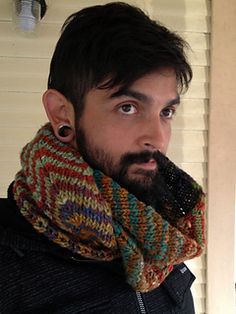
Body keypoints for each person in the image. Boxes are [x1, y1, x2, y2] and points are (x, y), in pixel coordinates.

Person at [0, 2, 205, 313]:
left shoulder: (168, 234)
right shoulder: (9, 261)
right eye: (128, 107)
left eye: (166, 112)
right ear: (62, 113)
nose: (158, 138)